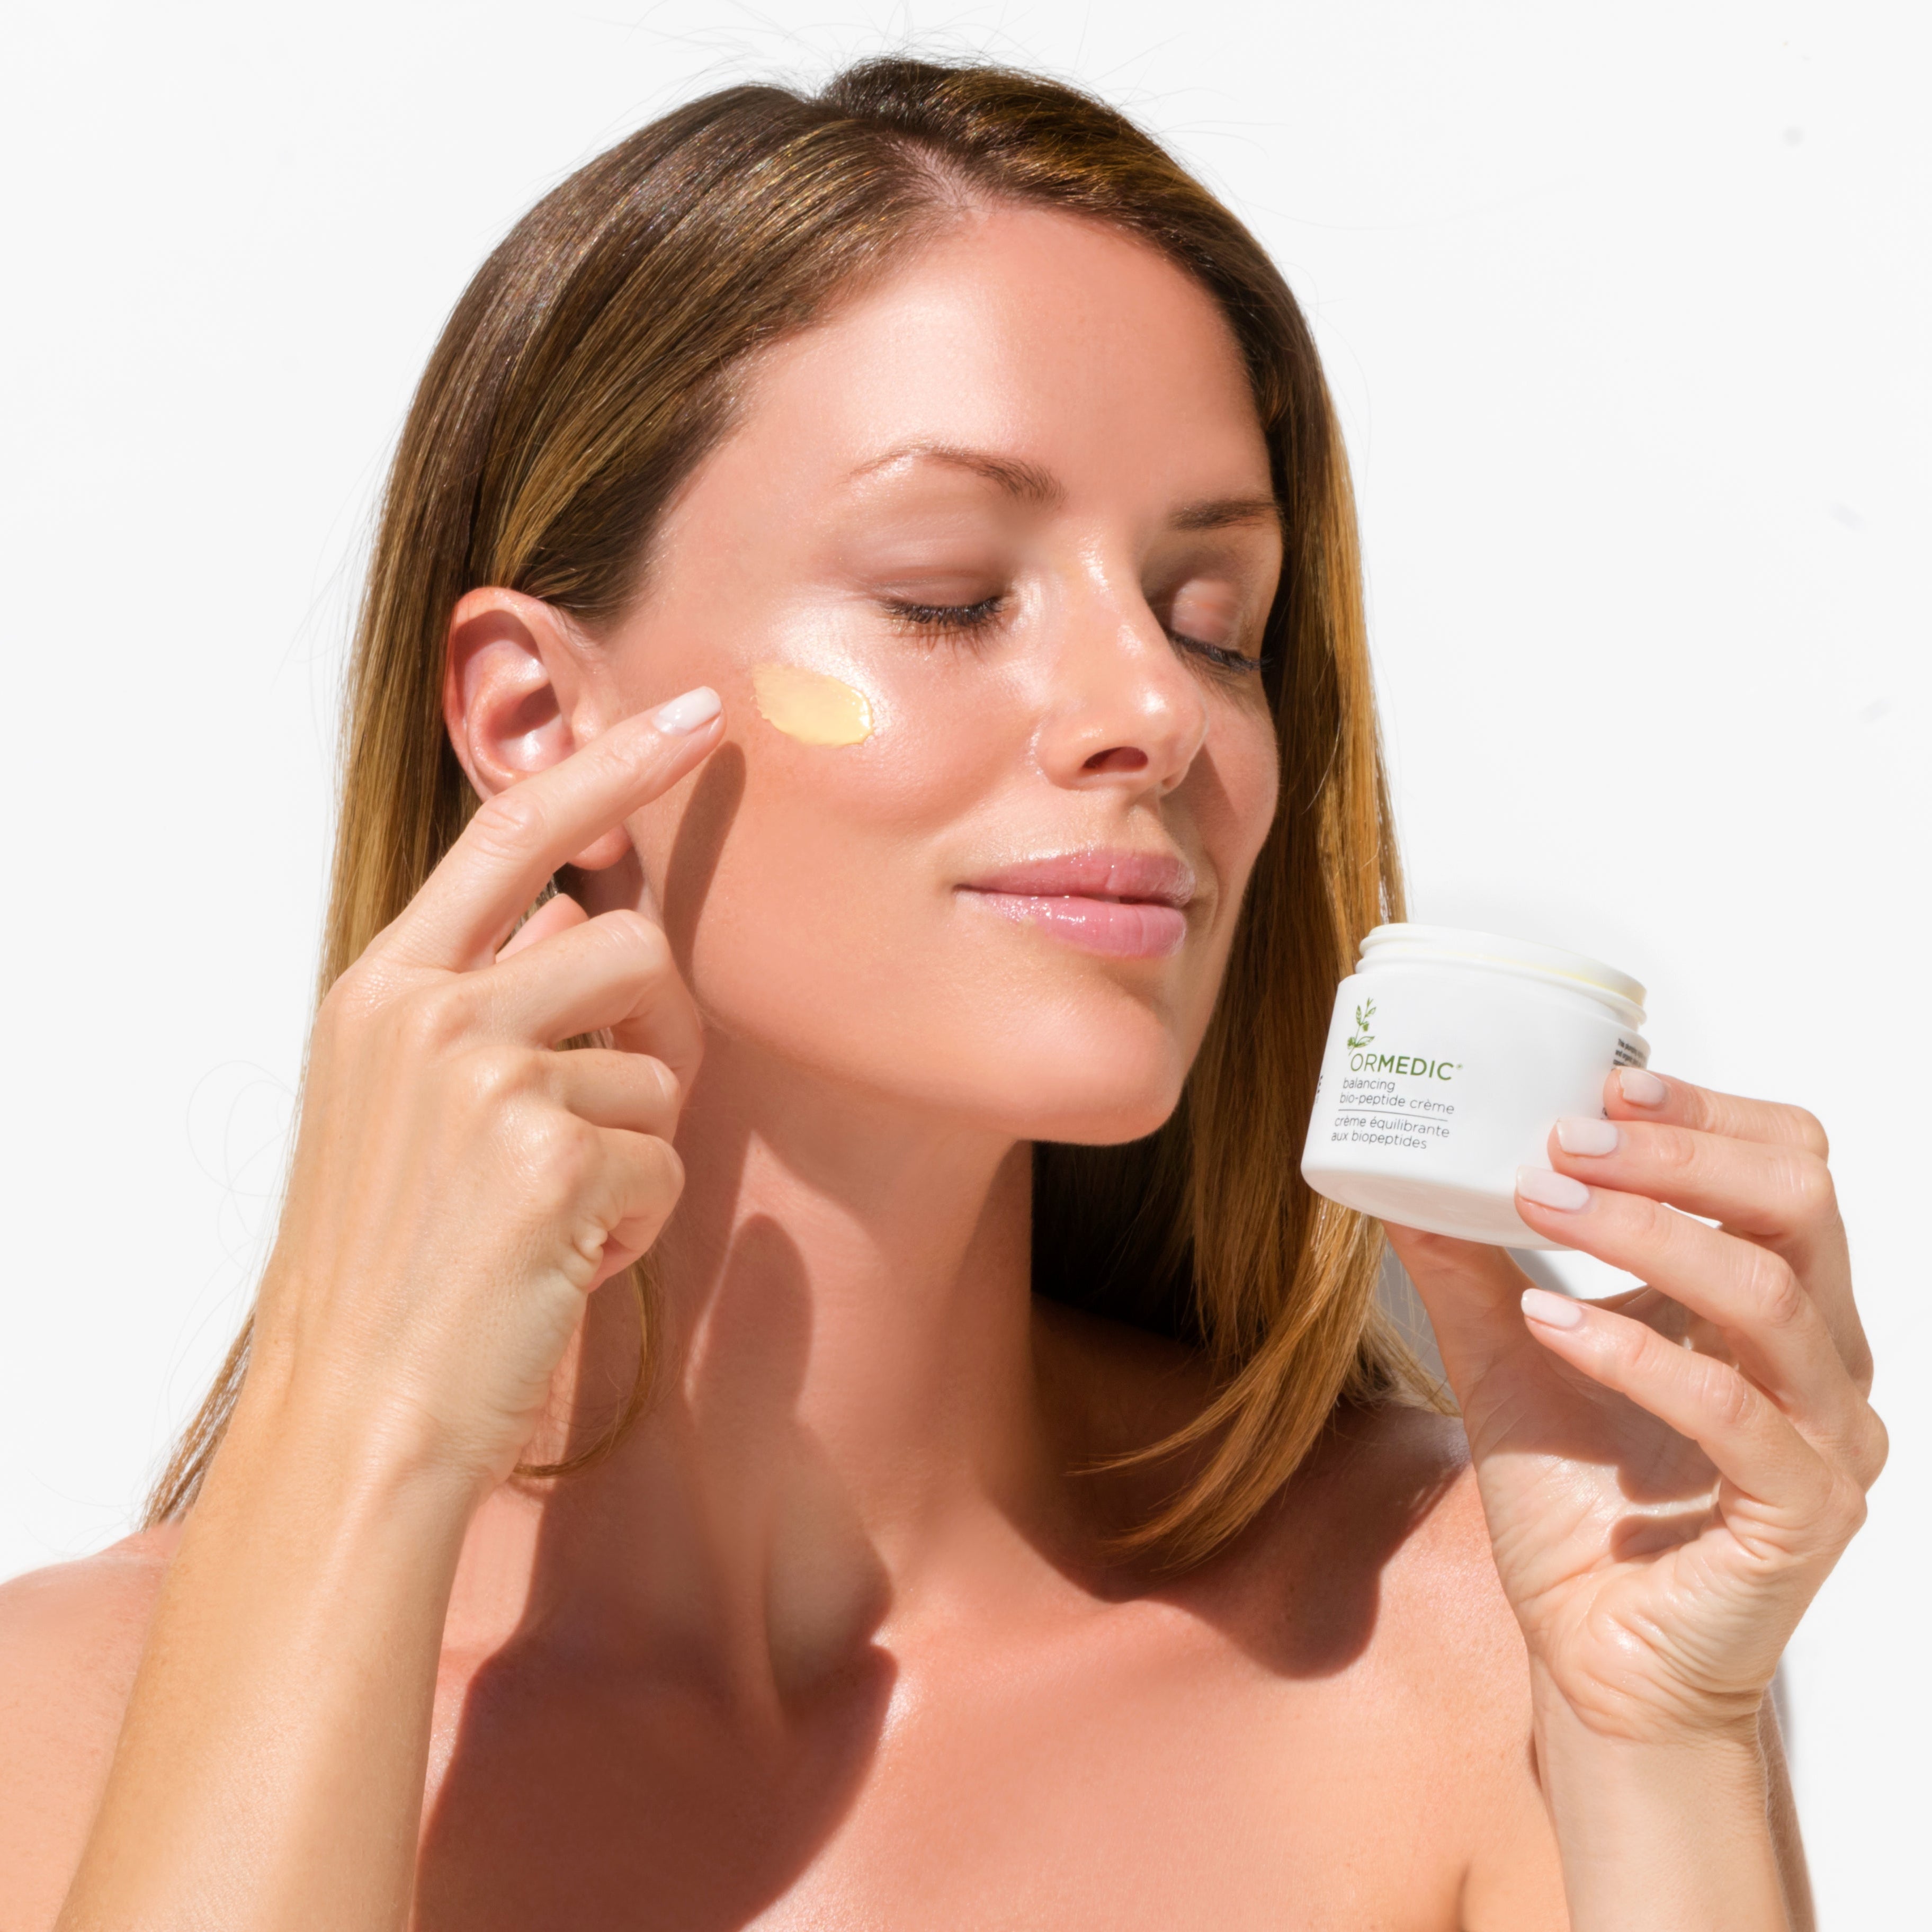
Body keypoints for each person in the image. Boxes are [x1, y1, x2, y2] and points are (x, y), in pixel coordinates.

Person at [0, 58, 1882, 1930]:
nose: (1158, 708)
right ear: (531, 718)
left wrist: (1667, 1751)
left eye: (1215, 621)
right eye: (950, 592)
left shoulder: (1461, 1646)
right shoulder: (66, 1720)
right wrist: (360, 1424)